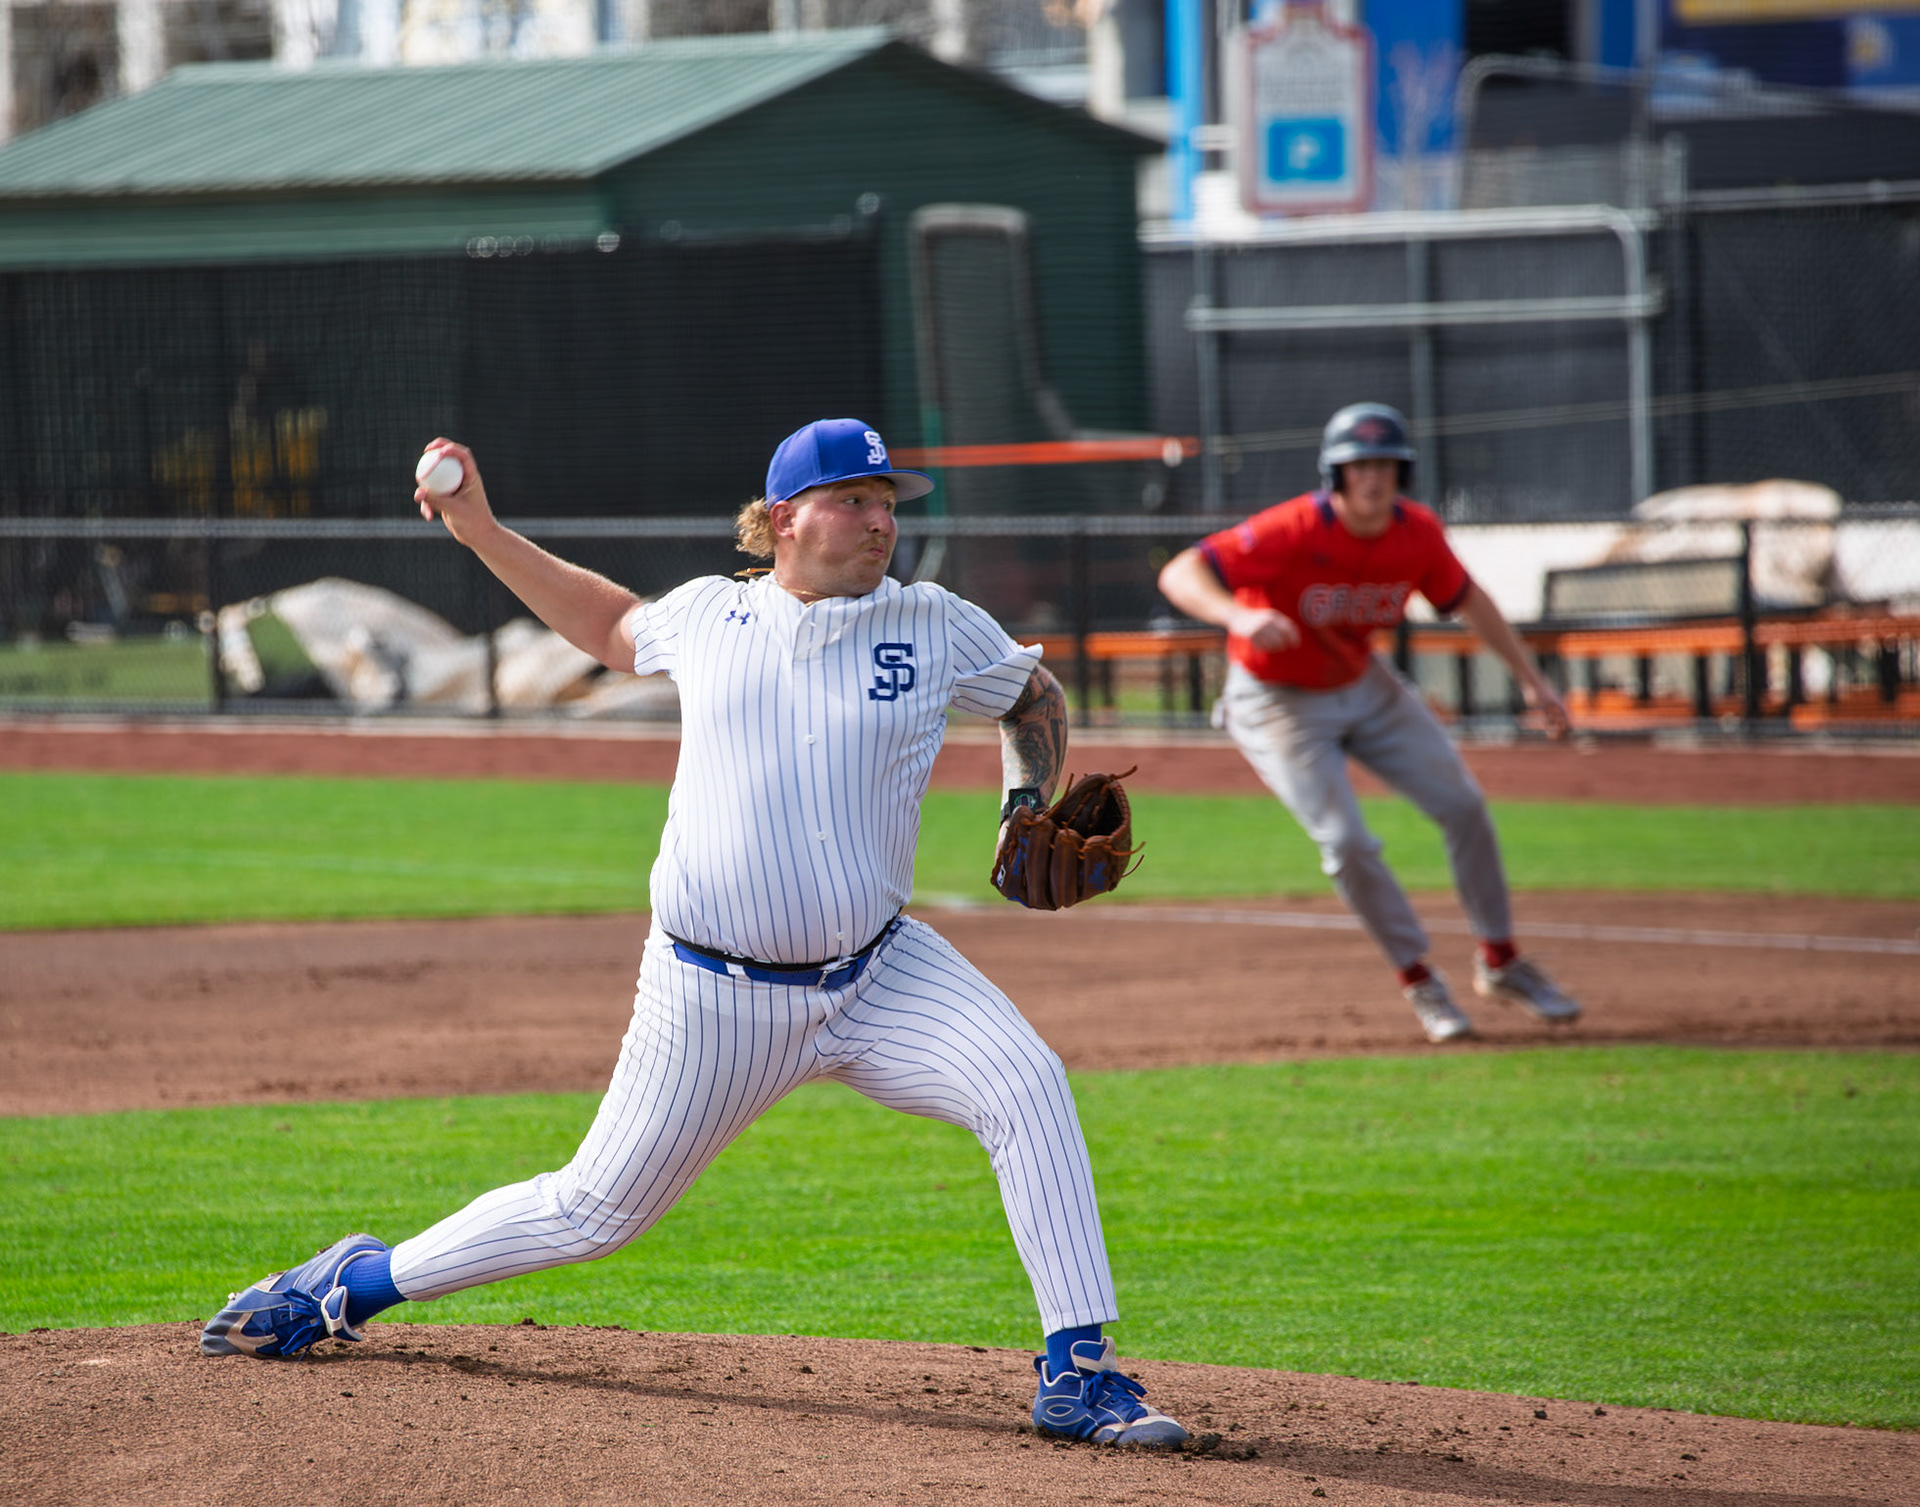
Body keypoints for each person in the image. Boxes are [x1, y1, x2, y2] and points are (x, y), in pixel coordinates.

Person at [199, 417, 1188, 1449]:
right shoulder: (713, 616)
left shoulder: (933, 623)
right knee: (592, 1212)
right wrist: (481, 528)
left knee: (1027, 1083)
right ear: (783, 519)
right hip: (714, 997)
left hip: (882, 972)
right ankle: (354, 1284)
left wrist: (1021, 797)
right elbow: (607, 626)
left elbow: (1032, 693)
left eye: (890, 501)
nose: (881, 519)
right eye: (855, 499)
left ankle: (1078, 1372)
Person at [1156, 402, 1580, 1044]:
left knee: (1464, 804)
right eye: (1359, 465)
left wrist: (1534, 681)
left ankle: (1502, 961)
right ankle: (1419, 980)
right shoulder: (1294, 529)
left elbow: (1470, 601)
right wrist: (1237, 617)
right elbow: (1180, 572)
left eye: (1384, 464)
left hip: (1364, 683)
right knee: (1348, 843)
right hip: (1276, 701)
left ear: (1401, 472)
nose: (1372, 478)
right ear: (1336, 474)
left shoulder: (1416, 532)